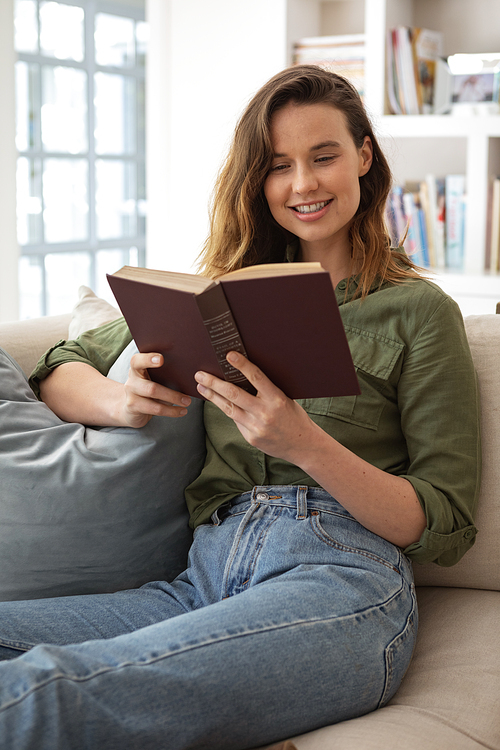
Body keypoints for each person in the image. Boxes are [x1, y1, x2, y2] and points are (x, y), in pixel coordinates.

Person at [0, 65, 480, 750]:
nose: (303, 184)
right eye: (278, 166)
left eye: (324, 157)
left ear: (364, 157)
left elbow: (447, 524)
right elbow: (59, 367)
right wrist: (123, 399)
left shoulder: (419, 311)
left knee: (55, 692)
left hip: (340, 578)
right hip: (203, 577)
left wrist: (305, 444)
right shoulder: (219, 296)